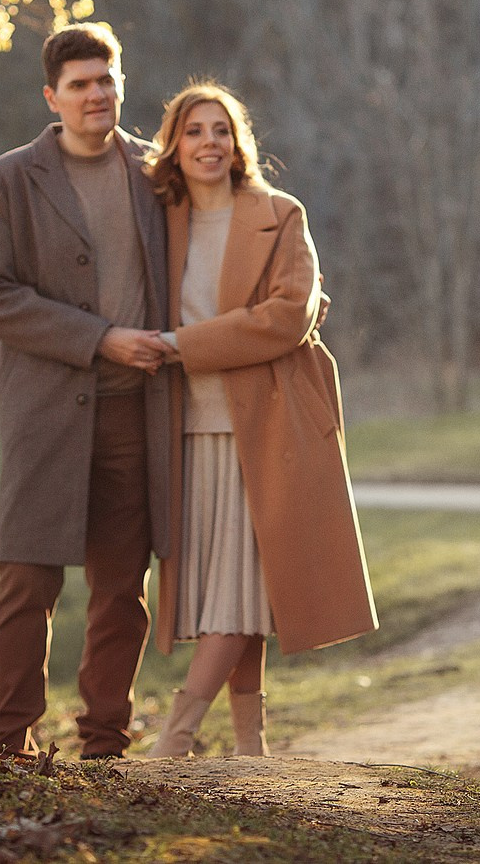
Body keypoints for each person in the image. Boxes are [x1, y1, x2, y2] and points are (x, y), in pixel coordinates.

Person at [143, 81, 377, 758]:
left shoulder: (279, 214)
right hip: (188, 429)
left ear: (238, 140)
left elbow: (287, 316)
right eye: (193, 131)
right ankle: (252, 749)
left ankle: (176, 738)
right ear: (174, 145)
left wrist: (181, 345)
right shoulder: (160, 222)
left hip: (270, 424)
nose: (208, 143)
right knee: (236, 590)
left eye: (221, 129)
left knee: (237, 588)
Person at [0, 22, 173, 759]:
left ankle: (105, 745)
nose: (96, 95)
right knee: (27, 580)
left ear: (122, 85)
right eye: (80, 85)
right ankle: (8, 744)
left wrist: (291, 286)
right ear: (52, 97)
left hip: (136, 411)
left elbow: (220, 237)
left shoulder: (158, 173)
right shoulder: (6, 181)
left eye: (106, 80)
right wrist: (99, 337)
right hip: (46, 411)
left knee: (121, 588)